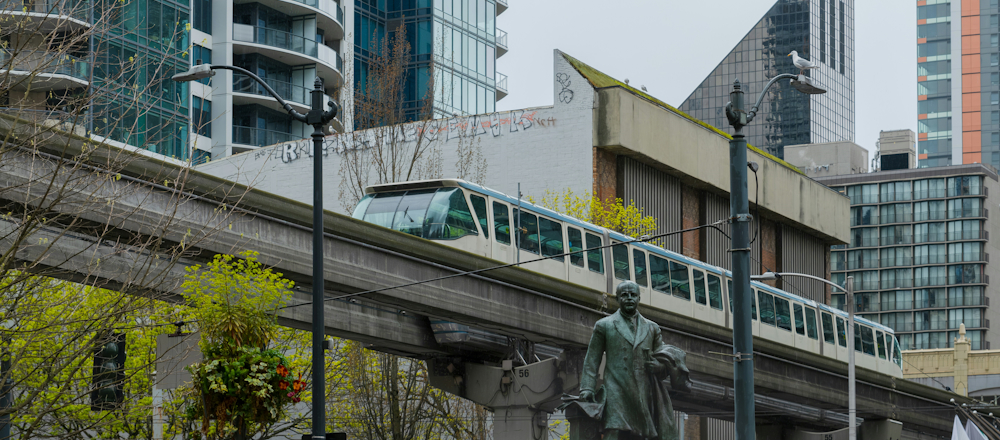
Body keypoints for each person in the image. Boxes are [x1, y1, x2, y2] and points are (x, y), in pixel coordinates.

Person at [578, 281, 689, 440]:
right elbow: (592, 360)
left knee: (639, 434)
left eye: (633, 295)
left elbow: (663, 357)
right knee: (613, 428)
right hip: (616, 387)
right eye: (624, 295)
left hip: (642, 389)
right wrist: (587, 388)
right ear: (617, 298)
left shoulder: (652, 328)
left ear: (639, 298)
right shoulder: (604, 325)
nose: (629, 298)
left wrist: (659, 367)